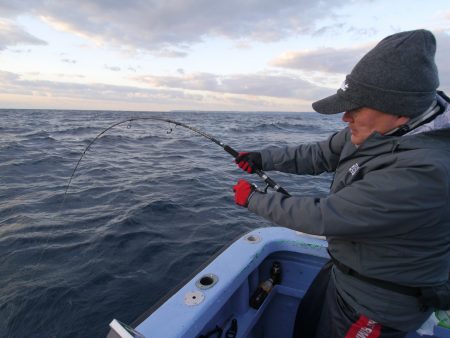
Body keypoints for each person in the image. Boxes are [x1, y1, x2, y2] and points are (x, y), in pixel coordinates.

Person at [232, 29, 450, 338]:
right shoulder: (376, 130)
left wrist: (253, 199)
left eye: (357, 107)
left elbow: (327, 215)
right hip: (344, 273)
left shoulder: (427, 171)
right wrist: (262, 158)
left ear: (401, 113)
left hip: (376, 305)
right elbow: (319, 154)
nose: (345, 117)